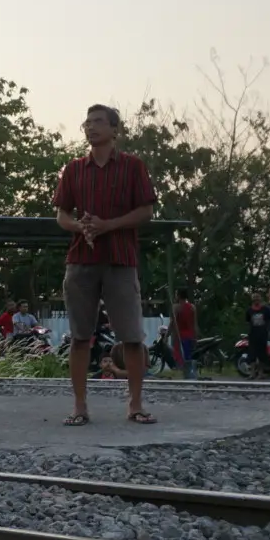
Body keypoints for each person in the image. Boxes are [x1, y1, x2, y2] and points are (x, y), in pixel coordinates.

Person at [54, 104, 158, 425]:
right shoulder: (73, 170)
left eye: (98, 121)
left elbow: (146, 211)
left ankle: (136, 404)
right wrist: (81, 227)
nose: (90, 126)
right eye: (87, 122)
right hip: (80, 261)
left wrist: (108, 225)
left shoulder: (132, 167)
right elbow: (62, 216)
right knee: (80, 336)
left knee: (131, 336)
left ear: (115, 130)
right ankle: (80, 407)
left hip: (120, 260)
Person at [244, 290, 270, 378]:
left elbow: (268, 320)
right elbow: (248, 321)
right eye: (254, 297)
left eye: (257, 297)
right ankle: (252, 373)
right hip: (252, 334)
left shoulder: (266, 309)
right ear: (252, 299)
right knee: (252, 354)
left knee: (262, 354)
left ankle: (261, 373)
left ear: (260, 298)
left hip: (263, 334)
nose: (256, 299)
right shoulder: (249, 310)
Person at [173, 288, 199, 378]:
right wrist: (196, 337)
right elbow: (195, 324)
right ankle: (189, 375)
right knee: (188, 356)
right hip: (190, 335)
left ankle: (185, 375)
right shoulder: (192, 307)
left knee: (181, 357)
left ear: (179, 296)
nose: (175, 296)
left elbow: (172, 323)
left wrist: (166, 335)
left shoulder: (176, 307)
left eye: (176, 294)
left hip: (180, 336)